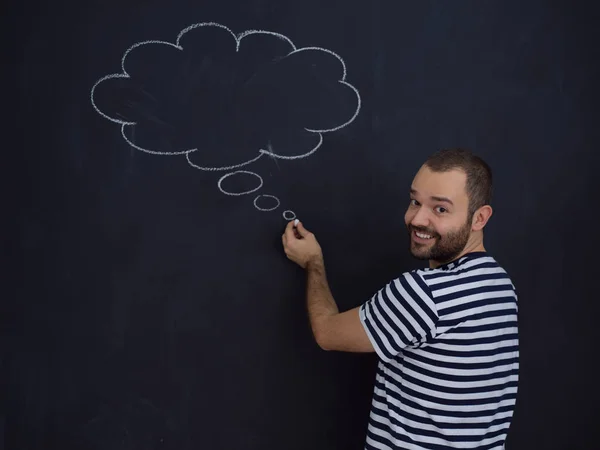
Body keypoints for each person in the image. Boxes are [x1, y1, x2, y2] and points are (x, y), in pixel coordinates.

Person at [281, 148, 519, 450]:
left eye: (440, 209)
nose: (417, 218)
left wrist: (313, 264)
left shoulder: (424, 294)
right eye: (415, 201)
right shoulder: (500, 284)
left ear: (479, 218)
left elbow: (327, 333)